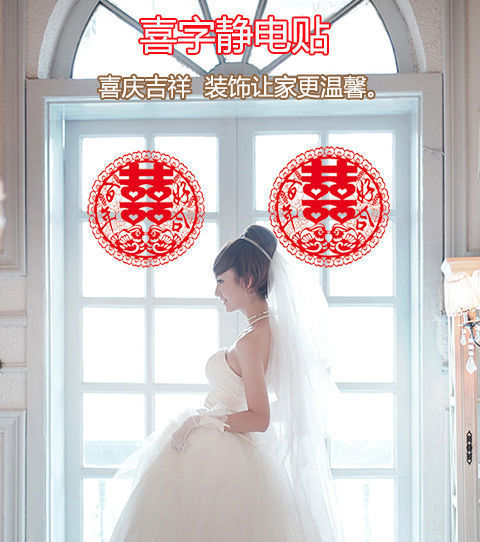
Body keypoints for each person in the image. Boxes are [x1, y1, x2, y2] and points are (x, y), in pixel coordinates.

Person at [108, 224, 345, 542]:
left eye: (221, 281)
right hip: (237, 451)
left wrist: (201, 421)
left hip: (224, 452)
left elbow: (259, 417)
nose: (216, 292)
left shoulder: (253, 339)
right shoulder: (270, 329)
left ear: (247, 281)